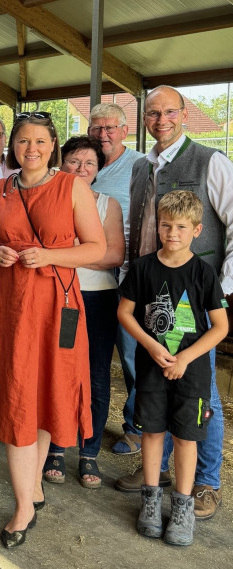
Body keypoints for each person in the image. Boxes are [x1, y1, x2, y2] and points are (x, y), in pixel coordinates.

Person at [0, 111, 106, 548]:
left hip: (53, 305)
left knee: (44, 392)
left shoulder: (72, 187)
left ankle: (30, 495)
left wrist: (49, 257)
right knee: (18, 395)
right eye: (23, 141)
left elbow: (98, 249)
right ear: (13, 146)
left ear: (53, 146)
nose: (32, 149)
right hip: (5, 306)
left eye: (40, 142)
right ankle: (26, 501)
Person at [114, 86, 233, 523]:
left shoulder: (210, 161)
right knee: (152, 380)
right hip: (148, 286)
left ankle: (205, 482)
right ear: (144, 118)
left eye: (169, 111)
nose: (160, 119)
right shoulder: (143, 167)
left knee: (203, 394)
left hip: (197, 290)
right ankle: (158, 473)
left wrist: (225, 284)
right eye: (152, 113)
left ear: (184, 114)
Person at [118, 190, 228, 546]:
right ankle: (151, 501)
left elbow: (221, 326)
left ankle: (181, 507)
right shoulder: (143, 268)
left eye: (181, 227)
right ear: (158, 226)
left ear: (196, 229)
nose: (172, 233)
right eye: (166, 225)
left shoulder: (204, 273)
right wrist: (150, 345)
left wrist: (185, 358)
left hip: (191, 372)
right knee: (151, 432)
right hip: (152, 368)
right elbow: (125, 312)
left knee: (185, 437)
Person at [44, 136, 124, 489]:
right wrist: (87, 248)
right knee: (61, 370)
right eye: (74, 161)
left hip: (97, 299)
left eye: (89, 163)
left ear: (98, 169)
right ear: (61, 163)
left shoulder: (108, 205)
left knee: (95, 374)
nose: (81, 169)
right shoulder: (49, 200)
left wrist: (68, 251)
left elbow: (113, 255)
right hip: (61, 296)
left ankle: (89, 451)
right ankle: (58, 447)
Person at [86, 103, 146, 456]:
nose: (103, 134)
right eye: (97, 128)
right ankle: (83, 418)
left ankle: (136, 426)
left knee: (131, 353)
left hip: (127, 275)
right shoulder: (82, 167)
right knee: (90, 355)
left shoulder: (140, 166)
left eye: (111, 128)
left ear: (125, 131)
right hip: (89, 278)